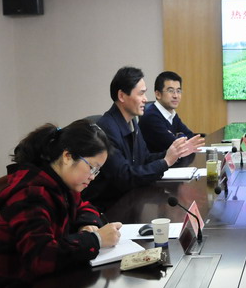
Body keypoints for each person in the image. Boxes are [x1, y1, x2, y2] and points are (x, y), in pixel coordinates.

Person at [0, 119, 123, 288]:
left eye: (97, 171)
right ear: (67, 156)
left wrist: (86, 225)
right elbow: (41, 257)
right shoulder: (30, 195)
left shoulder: (61, 184)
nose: (93, 177)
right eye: (92, 168)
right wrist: (96, 240)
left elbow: (84, 206)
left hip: (48, 286)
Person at [82, 66, 204, 209]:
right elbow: (124, 177)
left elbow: (144, 158)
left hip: (131, 199)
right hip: (111, 207)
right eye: (141, 94)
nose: (145, 99)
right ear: (122, 96)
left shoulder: (132, 121)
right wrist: (165, 162)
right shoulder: (108, 128)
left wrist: (172, 154)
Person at [139, 71, 201, 162]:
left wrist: (179, 137)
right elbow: (175, 147)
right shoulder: (151, 117)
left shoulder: (171, 114)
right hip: (154, 167)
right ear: (158, 94)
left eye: (178, 91)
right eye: (171, 91)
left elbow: (190, 136)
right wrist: (178, 138)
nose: (176, 96)